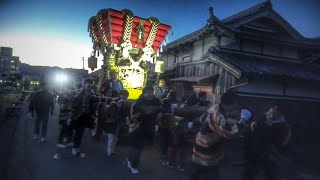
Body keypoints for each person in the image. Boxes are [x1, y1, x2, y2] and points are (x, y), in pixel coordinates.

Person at [189, 91, 252, 180]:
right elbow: (228, 133)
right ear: (231, 103)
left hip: (200, 142)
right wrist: (243, 120)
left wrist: (192, 123)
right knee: (210, 173)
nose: (237, 105)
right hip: (207, 148)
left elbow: (202, 118)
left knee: (198, 170)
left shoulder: (215, 107)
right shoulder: (219, 118)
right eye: (236, 103)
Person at [242, 102, 291, 180]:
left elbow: (280, 143)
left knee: (270, 174)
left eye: (275, 110)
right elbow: (251, 136)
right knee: (250, 173)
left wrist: (278, 157)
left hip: (269, 155)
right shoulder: (260, 118)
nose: (272, 111)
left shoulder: (283, 125)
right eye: (272, 109)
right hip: (254, 153)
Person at [67, 78, 95, 156]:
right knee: (78, 133)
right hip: (78, 116)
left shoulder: (92, 94)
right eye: (87, 84)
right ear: (84, 85)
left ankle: (76, 147)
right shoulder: (79, 95)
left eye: (90, 84)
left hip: (87, 116)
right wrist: (70, 117)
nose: (89, 85)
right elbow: (73, 107)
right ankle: (75, 149)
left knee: (81, 133)